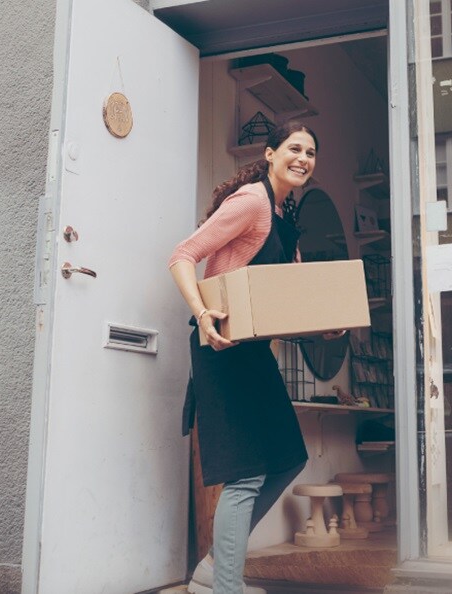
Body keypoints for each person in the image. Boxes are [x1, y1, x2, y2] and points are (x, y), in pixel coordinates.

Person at [169, 121, 320, 594]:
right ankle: (225, 587)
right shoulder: (253, 202)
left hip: (255, 354)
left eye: (311, 152)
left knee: (288, 459)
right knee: (247, 476)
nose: (303, 158)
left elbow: (281, 307)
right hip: (221, 352)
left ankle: (214, 569)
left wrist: (324, 325)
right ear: (270, 153)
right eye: (294, 148)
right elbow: (183, 255)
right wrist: (203, 315)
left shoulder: (285, 217)